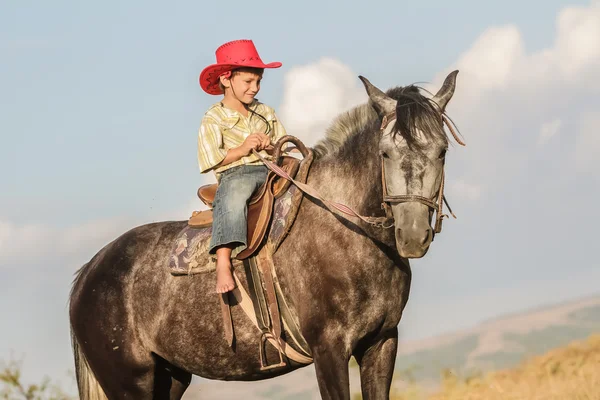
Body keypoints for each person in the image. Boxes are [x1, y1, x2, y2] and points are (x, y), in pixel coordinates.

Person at [197, 39, 288, 293]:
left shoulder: (265, 112)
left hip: (272, 170)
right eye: (248, 82)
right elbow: (210, 159)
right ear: (226, 79)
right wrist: (242, 149)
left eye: (258, 81)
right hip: (237, 173)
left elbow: (284, 145)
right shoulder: (214, 117)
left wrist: (272, 147)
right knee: (235, 194)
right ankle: (223, 260)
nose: (254, 88)